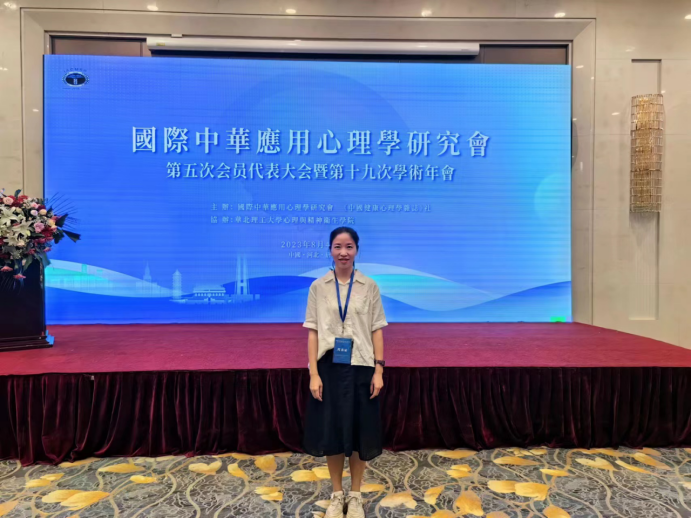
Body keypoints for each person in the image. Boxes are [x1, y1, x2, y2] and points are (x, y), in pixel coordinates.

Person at [303, 227, 388, 519]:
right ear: (330, 250)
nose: (343, 252)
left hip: (362, 365)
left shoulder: (369, 286)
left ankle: (356, 495)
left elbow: (377, 329)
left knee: (359, 433)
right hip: (329, 367)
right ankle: (337, 494)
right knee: (333, 432)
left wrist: (379, 369)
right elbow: (312, 332)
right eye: (338, 246)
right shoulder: (318, 287)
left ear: (357, 250)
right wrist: (313, 373)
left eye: (349, 246)